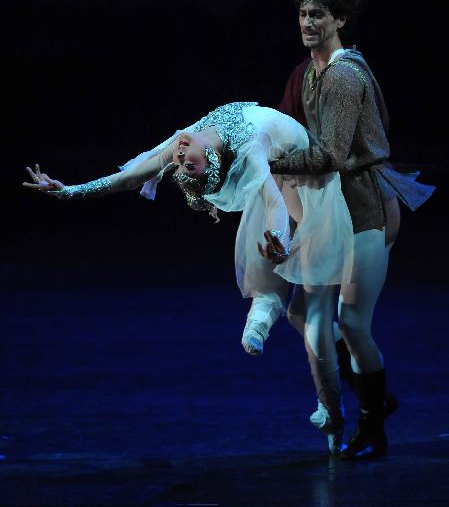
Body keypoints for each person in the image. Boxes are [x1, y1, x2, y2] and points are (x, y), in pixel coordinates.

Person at [23, 102, 354, 455]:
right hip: (294, 180)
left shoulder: (196, 141)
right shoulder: (248, 150)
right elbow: (272, 205)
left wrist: (71, 190)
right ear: (209, 159)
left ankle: (329, 401)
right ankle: (326, 392)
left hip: (304, 177)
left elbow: (132, 176)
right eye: (185, 162)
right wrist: (280, 243)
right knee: (303, 312)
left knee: (307, 317)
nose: (179, 153)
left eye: (181, 161)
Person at [271, 0, 435, 459]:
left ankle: (373, 426)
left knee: (352, 322)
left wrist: (268, 166)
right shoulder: (310, 72)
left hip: (363, 204)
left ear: (340, 20)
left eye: (318, 14)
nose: (308, 22)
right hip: (332, 207)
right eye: (303, 13)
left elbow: (333, 155)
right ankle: (374, 398)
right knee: (306, 313)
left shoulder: (343, 75)